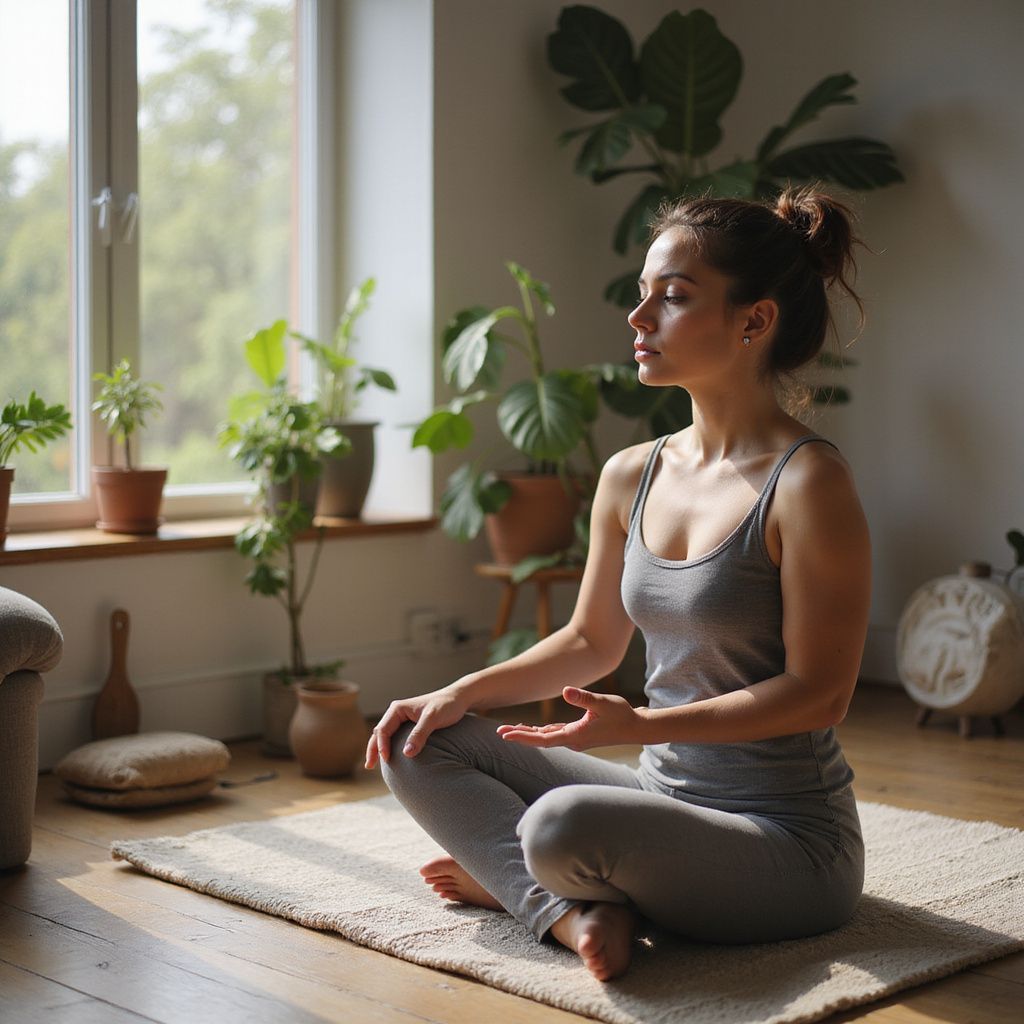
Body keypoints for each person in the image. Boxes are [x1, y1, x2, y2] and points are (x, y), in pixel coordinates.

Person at [365, 183, 872, 983]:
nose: (638, 320)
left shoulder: (809, 484)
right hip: (662, 798)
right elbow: (589, 642)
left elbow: (821, 695)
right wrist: (462, 690)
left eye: (671, 298)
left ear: (754, 320)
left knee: (559, 827)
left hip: (787, 841)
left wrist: (638, 724)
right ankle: (569, 909)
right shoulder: (630, 473)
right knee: (415, 735)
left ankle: (538, 884)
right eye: (643, 297)